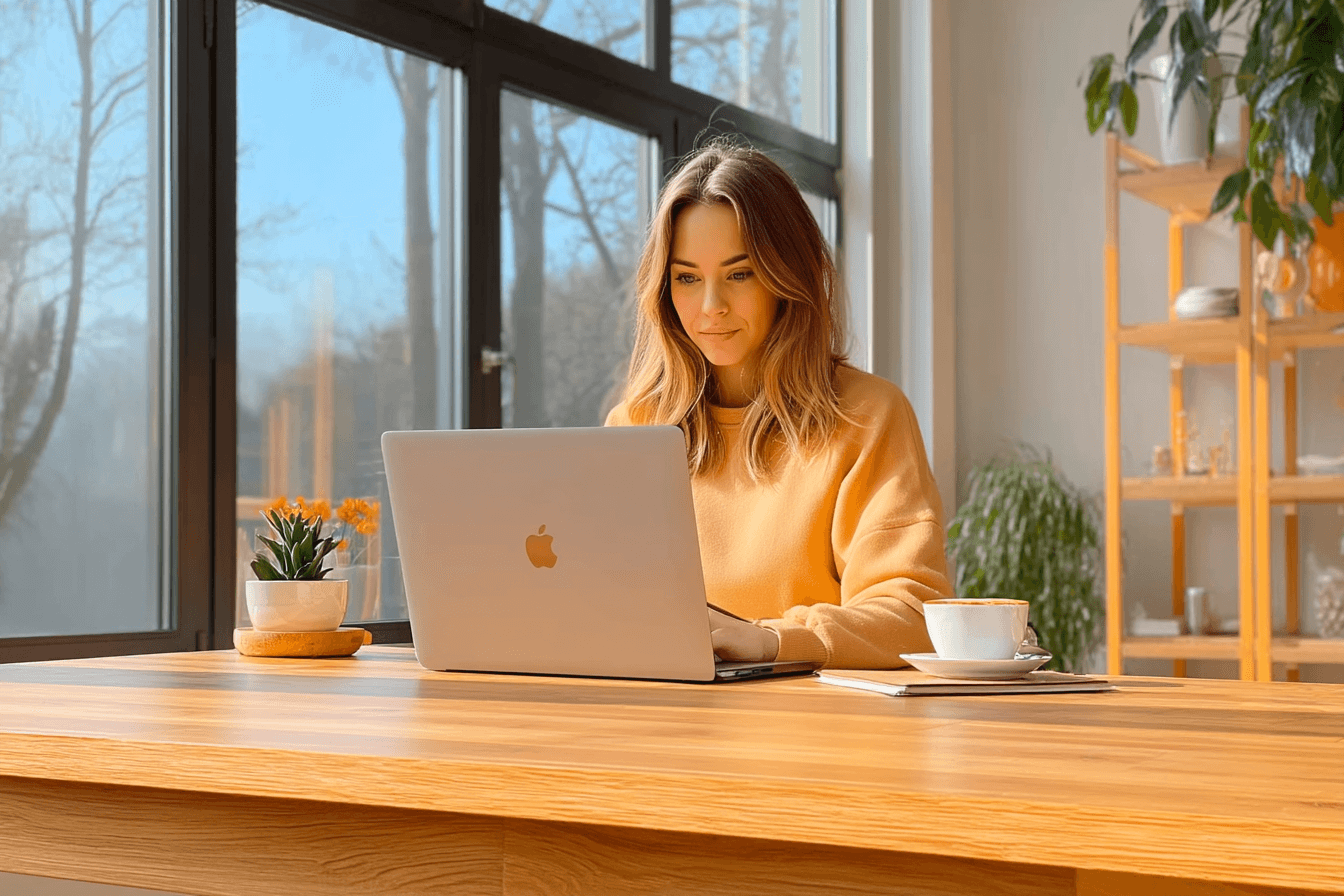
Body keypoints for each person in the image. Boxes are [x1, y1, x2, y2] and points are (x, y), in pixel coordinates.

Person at [604, 138, 954, 670]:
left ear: (786, 277)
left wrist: (770, 640)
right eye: (687, 278)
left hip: (814, 735)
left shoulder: (869, 417)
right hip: (665, 726)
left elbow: (913, 617)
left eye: (739, 273)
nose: (710, 306)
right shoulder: (636, 425)